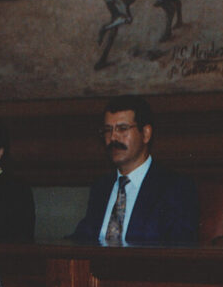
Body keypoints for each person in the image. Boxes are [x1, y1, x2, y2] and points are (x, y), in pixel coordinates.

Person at [67, 94, 199, 245]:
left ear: (146, 134)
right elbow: (81, 239)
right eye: (108, 130)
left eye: (122, 129)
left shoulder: (175, 187)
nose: (113, 137)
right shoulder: (101, 186)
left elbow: (179, 249)